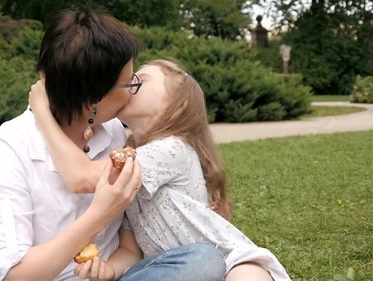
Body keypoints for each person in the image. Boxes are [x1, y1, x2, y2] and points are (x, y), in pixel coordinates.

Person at [0, 8, 226, 281]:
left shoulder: (114, 132)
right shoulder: (9, 149)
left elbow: (130, 247)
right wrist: (99, 215)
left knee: (203, 260)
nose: (132, 92)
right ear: (94, 99)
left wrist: (109, 269)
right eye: (127, 85)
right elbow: (12, 276)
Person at [29, 59, 292, 281]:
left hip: (228, 263)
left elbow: (83, 179)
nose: (127, 85)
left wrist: (43, 113)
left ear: (174, 105)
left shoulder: (171, 149)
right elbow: (130, 250)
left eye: (139, 80)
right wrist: (109, 270)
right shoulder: (131, 159)